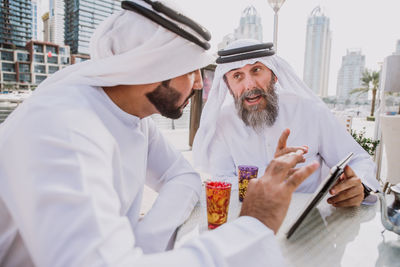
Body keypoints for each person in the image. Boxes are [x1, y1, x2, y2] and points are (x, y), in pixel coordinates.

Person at [0, 1, 319, 266]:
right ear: (151, 68)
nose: (198, 83)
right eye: (191, 70)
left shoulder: (133, 117)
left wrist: (143, 242)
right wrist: (254, 224)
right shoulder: (65, 125)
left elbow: (183, 176)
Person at [193, 39, 380, 208]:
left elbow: (357, 159)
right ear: (228, 85)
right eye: (237, 76)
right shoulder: (223, 122)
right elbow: (222, 180)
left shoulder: (310, 111)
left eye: (256, 70)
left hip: (307, 223)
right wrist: (269, 180)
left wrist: (359, 185)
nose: (250, 85)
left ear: (274, 75)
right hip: (247, 219)